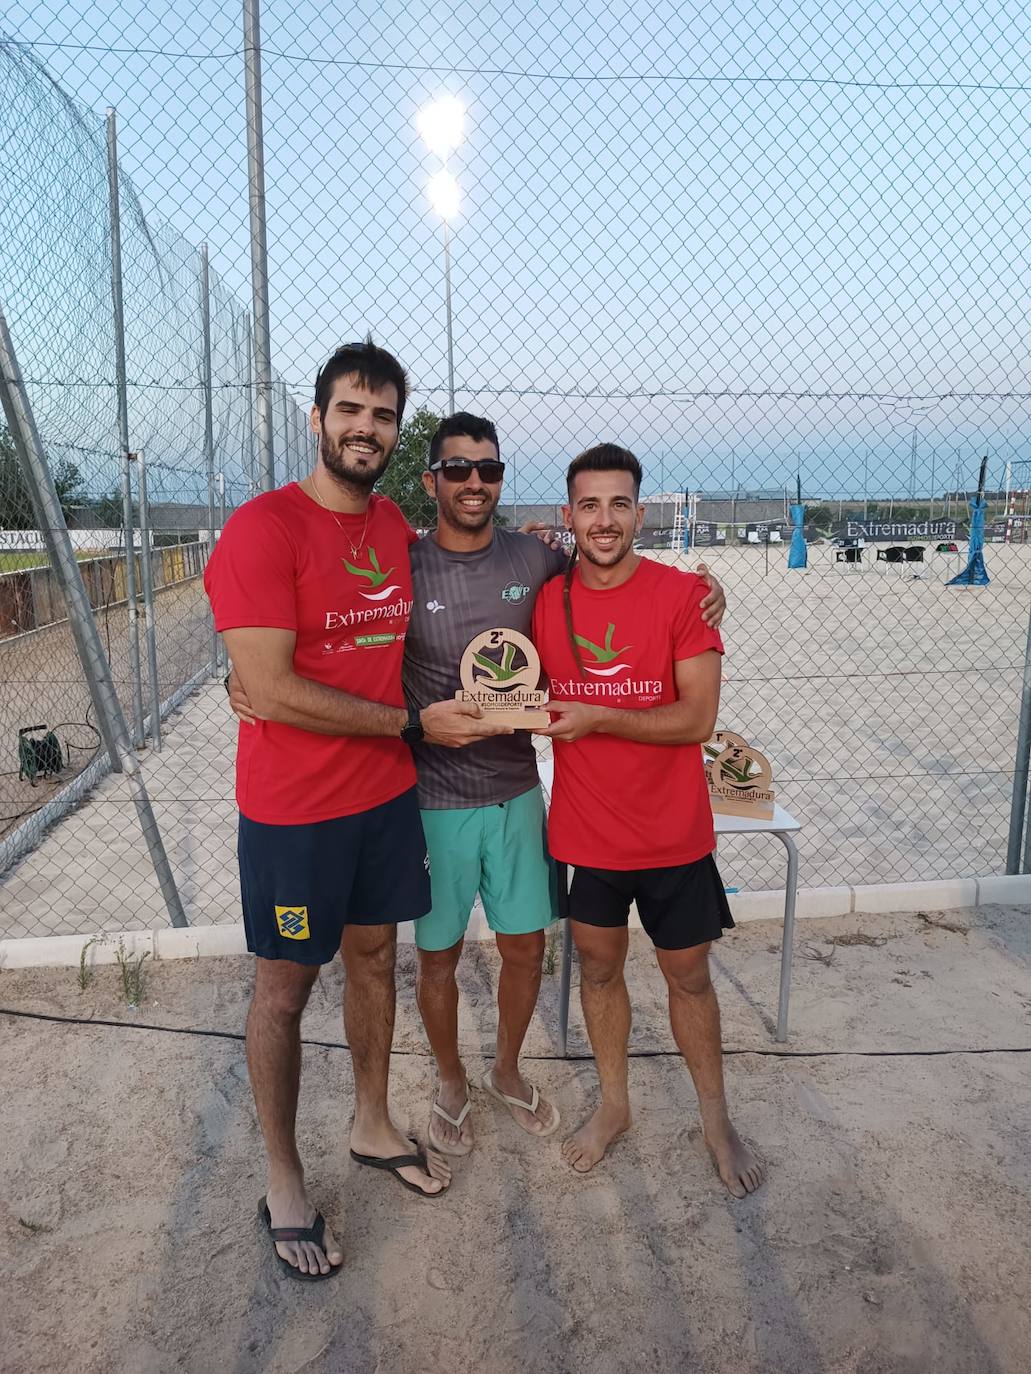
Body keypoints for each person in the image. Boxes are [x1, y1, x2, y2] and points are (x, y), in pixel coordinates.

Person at [204, 341, 508, 1281]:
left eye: (381, 415)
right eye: (349, 410)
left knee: (377, 958)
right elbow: (273, 686)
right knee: (284, 990)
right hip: (294, 813)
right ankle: (285, 1180)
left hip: (384, 801)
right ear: (317, 419)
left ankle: (372, 1124)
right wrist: (409, 721)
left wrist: (702, 588)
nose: (363, 428)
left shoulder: (390, 534)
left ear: (393, 429)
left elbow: (488, 564)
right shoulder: (261, 530)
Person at [532, 443, 764, 1198]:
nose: (604, 520)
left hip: (671, 834)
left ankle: (715, 1119)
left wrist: (600, 713)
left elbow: (697, 719)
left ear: (640, 511)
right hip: (587, 834)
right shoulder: (543, 598)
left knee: (687, 976)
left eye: (619, 504)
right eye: (589, 506)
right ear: (567, 515)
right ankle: (615, 1106)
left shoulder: (680, 596)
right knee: (597, 971)